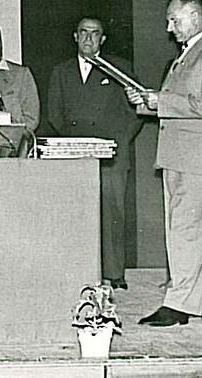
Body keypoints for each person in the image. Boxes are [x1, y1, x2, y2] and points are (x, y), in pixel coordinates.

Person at [126, 0, 202, 326]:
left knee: (186, 232)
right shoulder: (189, 54)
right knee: (193, 231)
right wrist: (145, 102)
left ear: (193, 16)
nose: (169, 27)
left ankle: (178, 305)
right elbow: (176, 103)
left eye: (174, 20)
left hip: (198, 159)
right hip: (180, 156)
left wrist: (161, 101)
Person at [47, 17, 142, 289]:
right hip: (76, 154)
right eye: (84, 33)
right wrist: (74, 144)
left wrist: (118, 143)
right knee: (76, 211)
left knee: (113, 211)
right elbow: (55, 113)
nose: (89, 39)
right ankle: (78, 270)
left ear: (103, 39)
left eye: (95, 34)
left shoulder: (119, 69)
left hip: (111, 153)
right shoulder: (61, 72)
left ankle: (114, 274)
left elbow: (135, 113)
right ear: (75, 37)